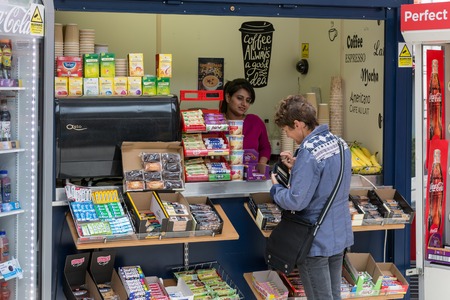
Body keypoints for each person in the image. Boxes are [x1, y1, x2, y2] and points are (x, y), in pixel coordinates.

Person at [270, 94, 353, 300]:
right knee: (333, 296)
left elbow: (296, 201)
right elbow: (327, 181)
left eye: (288, 130)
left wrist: (275, 189)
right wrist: (298, 166)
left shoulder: (309, 151)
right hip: (338, 235)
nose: (288, 135)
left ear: (298, 124)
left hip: (314, 239)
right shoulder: (340, 143)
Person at [220, 78, 271, 164]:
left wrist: (261, 167)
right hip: (221, 175)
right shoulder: (216, 123)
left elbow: (265, 148)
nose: (244, 104)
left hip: (251, 175)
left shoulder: (255, 122)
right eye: (240, 98)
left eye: (248, 100)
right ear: (228, 98)